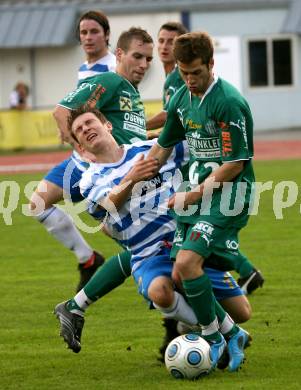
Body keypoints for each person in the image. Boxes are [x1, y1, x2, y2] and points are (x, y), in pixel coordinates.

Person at [54, 107, 251, 372]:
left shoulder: (151, 150)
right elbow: (107, 205)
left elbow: (199, 148)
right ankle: (219, 334)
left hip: (185, 242)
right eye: (79, 131)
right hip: (148, 255)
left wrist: (212, 123)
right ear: (80, 147)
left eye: (89, 122)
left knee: (242, 311)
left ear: (107, 126)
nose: (86, 129)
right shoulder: (90, 179)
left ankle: (208, 324)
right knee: (160, 291)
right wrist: (132, 178)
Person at [147, 32, 258, 356]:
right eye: (184, 72)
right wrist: (130, 182)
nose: (191, 79)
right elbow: (162, 147)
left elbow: (235, 164)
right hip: (196, 195)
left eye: (196, 72)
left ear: (211, 64)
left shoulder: (228, 102)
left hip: (228, 196)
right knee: (183, 273)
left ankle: (214, 338)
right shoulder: (182, 97)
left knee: (186, 261)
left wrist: (193, 195)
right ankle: (232, 329)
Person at [28, 13, 127, 292]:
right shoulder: (86, 67)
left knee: (123, 229)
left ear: (107, 35)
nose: (87, 37)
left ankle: (179, 277)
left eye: (94, 31)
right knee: (37, 203)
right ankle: (88, 260)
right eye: (83, 32)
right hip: (81, 158)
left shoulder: (112, 69)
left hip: (100, 161)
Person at [147, 22, 187, 131]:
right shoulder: (171, 75)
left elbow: (168, 115)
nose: (164, 46)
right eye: (161, 41)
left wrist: (138, 127)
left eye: (171, 42)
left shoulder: (181, 74)